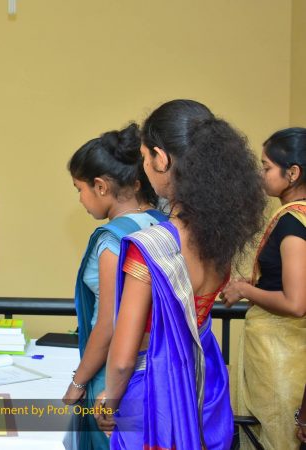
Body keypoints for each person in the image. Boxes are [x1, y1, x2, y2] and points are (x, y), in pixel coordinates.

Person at [94, 99, 265, 449]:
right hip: (205, 379)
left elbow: (124, 359)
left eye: (145, 157)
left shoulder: (151, 246)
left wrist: (108, 400)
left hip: (154, 391)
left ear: (161, 158)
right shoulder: (221, 236)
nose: (144, 166)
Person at [62, 123, 165, 450]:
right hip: (156, 367)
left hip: (114, 371)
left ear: (101, 186)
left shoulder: (113, 240)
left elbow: (108, 324)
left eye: (79, 189)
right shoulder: (165, 224)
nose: (81, 199)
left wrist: (78, 382)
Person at [222, 127, 306, 450]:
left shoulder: (293, 223)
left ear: (293, 173)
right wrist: (256, 283)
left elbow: (296, 302)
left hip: (282, 358)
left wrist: (245, 292)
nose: (261, 174)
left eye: (267, 167)